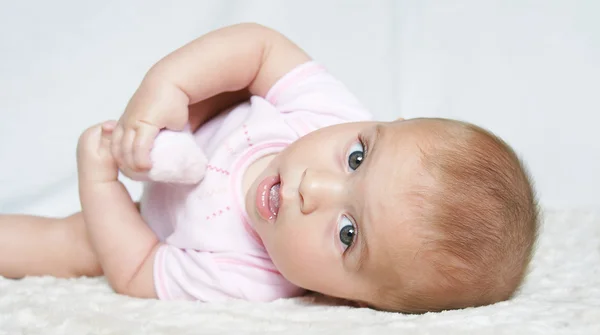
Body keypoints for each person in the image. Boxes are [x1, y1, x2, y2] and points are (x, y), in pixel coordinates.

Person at [0, 23, 539, 313]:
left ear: (344, 298)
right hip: (193, 118)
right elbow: (259, 48)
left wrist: (100, 183)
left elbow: (138, 269)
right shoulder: (329, 112)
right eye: (357, 157)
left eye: (348, 234)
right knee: (229, 80)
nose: (315, 189)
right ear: (383, 123)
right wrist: (170, 88)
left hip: (150, 224)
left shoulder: (251, 279)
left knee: (66, 246)